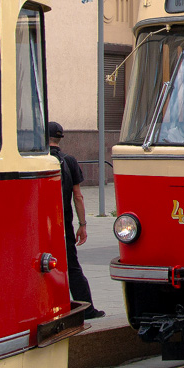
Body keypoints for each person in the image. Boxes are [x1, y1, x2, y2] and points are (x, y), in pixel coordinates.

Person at [48, 121, 104, 320]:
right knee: (72, 266)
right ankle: (87, 309)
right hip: (64, 225)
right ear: (60, 138)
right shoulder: (69, 160)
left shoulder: (39, 160)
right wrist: (83, 224)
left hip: (42, 226)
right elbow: (78, 196)